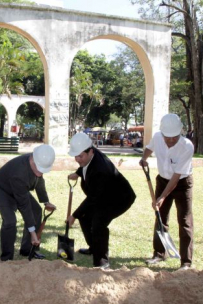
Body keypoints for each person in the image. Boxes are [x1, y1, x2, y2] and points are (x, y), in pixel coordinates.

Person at [67, 132, 136, 269]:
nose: (77, 159)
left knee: (99, 223)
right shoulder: (90, 153)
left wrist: (73, 215)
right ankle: (94, 247)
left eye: (80, 156)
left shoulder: (101, 170)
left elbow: (93, 198)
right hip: (103, 194)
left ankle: (102, 263)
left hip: (119, 198)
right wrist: (78, 172)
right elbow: (85, 165)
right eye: (75, 156)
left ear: (91, 151)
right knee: (85, 217)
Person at [139, 113, 194, 270]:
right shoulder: (157, 137)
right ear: (162, 133)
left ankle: (186, 262)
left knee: (184, 220)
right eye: (167, 137)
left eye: (174, 137)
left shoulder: (187, 146)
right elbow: (149, 148)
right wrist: (144, 159)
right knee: (160, 217)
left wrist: (162, 197)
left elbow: (176, 177)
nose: (170, 140)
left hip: (182, 183)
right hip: (162, 180)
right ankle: (159, 253)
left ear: (180, 132)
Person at [0, 144, 57, 261]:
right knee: (10, 221)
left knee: (36, 211)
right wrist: (33, 232)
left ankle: (27, 249)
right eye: (39, 168)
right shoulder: (19, 173)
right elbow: (24, 206)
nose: (40, 172)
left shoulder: (38, 160)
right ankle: (7, 258)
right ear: (32, 159)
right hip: (1, 189)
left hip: (19, 189)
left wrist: (45, 201)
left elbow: (39, 181)